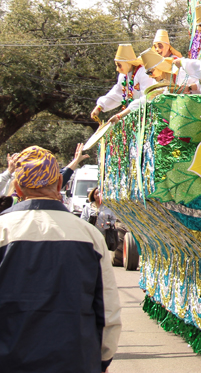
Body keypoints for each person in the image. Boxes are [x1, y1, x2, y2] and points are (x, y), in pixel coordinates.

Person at [0, 145, 121, 372]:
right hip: (76, 359)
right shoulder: (90, 236)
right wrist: (102, 359)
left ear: (17, 188)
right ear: (59, 184)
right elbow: (108, 310)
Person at [90, 43, 155, 119]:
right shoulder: (124, 75)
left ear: (127, 62)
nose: (117, 69)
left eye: (119, 65)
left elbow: (148, 97)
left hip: (148, 115)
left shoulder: (143, 72)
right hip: (135, 115)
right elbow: (118, 93)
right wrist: (100, 106)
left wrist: (122, 114)